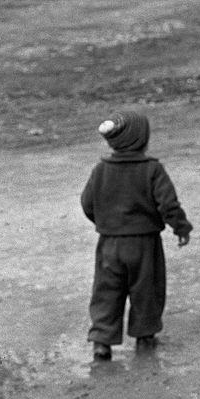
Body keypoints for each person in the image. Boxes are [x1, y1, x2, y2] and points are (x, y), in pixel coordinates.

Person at [80, 110, 192, 361]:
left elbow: (87, 203)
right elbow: (168, 204)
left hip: (109, 243)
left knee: (106, 290)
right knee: (147, 289)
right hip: (144, 243)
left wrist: (108, 223)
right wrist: (181, 227)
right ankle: (144, 335)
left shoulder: (100, 170)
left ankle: (102, 341)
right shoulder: (152, 169)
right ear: (140, 140)